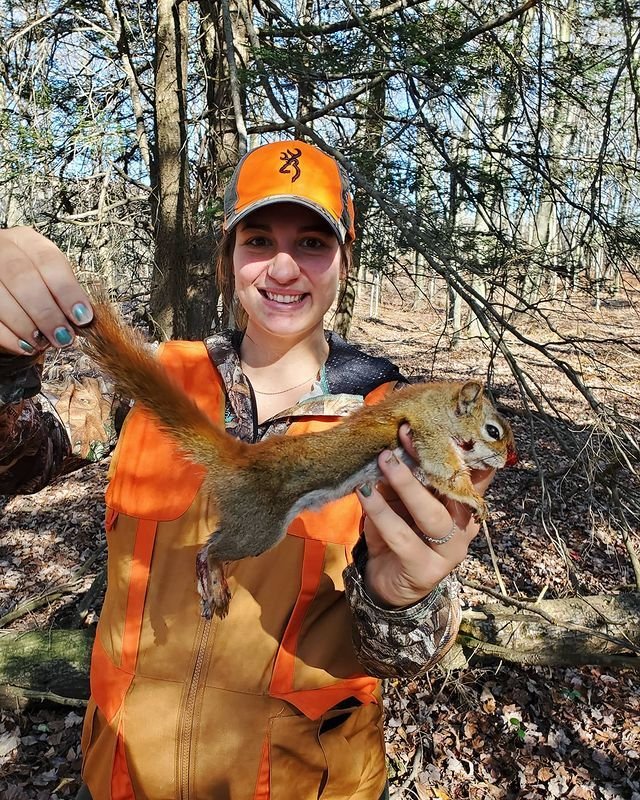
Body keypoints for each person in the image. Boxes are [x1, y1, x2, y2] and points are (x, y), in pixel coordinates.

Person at [0, 140, 492, 800]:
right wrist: (4, 367)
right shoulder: (149, 385)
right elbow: (14, 461)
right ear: (228, 261)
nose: (283, 268)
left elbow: (402, 656)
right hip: (121, 780)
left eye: (313, 243)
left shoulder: (392, 423)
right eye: (258, 239)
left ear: (344, 262)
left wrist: (403, 598)